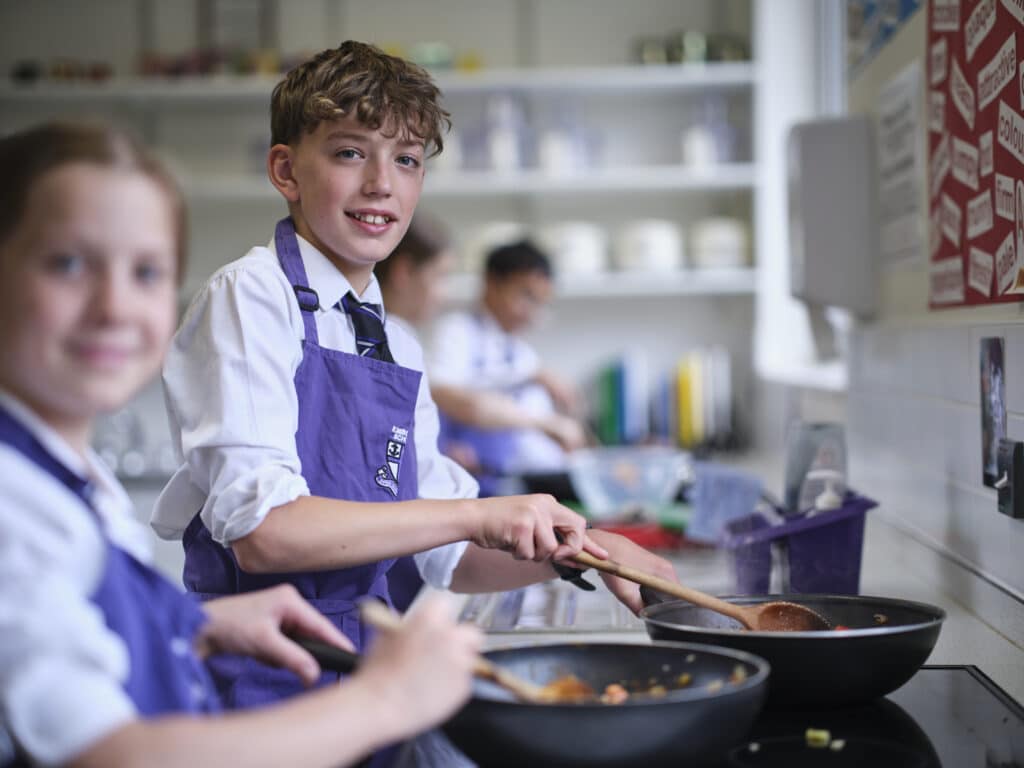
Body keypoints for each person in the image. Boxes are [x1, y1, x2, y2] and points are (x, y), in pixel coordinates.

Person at [152, 39, 678, 712]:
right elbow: (266, 533)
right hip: (268, 685)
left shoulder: (393, 341)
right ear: (286, 170)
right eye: (349, 152)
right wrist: (477, 511)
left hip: (375, 676)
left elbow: (449, 557)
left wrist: (588, 551)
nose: (382, 183)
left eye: (405, 160)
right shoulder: (252, 299)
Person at [0, 120, 483, 768]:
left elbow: (68, 633)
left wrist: (193, 627)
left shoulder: (70, 479)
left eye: (146, 272)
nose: (114, 306)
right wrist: (387, 701)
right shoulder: (14, 502)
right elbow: (106, 757)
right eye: (67, 263)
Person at [426, 239, 589, 493]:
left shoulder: (522, 353)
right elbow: (445, 394)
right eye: (526, 296)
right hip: (462, 481)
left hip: (507, 480)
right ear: (491, 283)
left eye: (540, 302)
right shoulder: (455, 331)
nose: (532, 313)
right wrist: (543, 423)